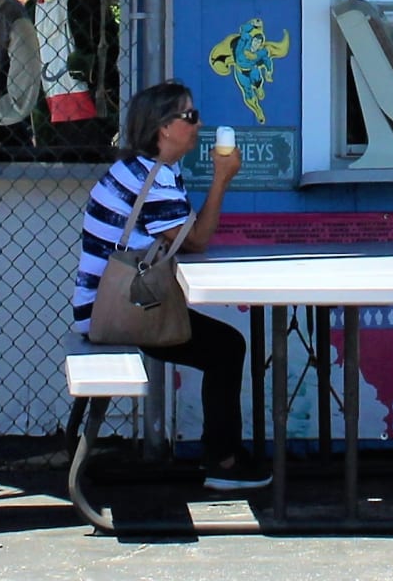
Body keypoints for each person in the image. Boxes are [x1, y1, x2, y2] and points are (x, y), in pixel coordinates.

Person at [72, 81, 263, 488]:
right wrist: (222, 178)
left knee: (223, 346)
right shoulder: (153, 179)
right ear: (163, 127)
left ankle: (224, 454)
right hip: (116, 314)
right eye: (190, 116)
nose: (199, 124)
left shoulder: (142, 170)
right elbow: (197, 240)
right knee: (227, 348)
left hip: (112, 303)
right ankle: (224, 463)